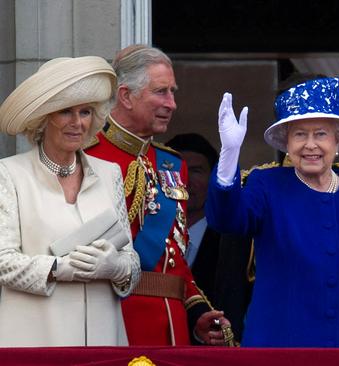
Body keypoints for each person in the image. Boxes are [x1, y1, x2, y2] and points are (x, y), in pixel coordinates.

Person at [206, 75, 339, 347]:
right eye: (300, 134)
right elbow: (226, 219)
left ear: (338, 141)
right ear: (286, 142)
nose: (310, 145)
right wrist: (229, 157)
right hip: (279, 349)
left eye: (321, 134)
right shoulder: (266, 186)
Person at [84, 45, 231, 346]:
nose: (172, 103)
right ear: (126, 95)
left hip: (173, 329)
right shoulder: (86, 156)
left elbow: (176, 260)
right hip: (114, 320)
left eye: (172, 92)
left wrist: (197, 313)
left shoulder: (172, 164)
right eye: (161, 92)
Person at [0, 56, 141, 346]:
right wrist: (58, 269)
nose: (77, 123)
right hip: (34, 340)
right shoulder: (9, 174)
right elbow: (4, 262)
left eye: (86, 112)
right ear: (44, 118)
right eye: (65, 112)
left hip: (104, 338)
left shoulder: (109, 173)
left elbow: (131, 259)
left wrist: (116, 267)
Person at [166, 132, 252, 342]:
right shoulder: (149, 235)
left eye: (195, 171)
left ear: (213, 177)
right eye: (176, 171)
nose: (185, 180)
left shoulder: (233, 239)